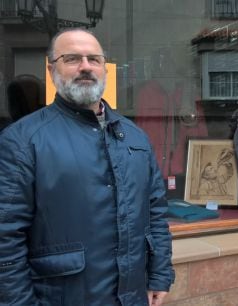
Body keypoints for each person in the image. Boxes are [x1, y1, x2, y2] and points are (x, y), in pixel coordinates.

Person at [0, 28, 174, 305]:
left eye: (94, 59)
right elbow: (5, 236)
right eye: (72, 58)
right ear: (51, 68)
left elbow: (155, 212)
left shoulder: (135, 136)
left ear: (105, 68)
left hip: (132, 296)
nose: (85, 67)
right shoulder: (22, 140)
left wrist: (159, 274)